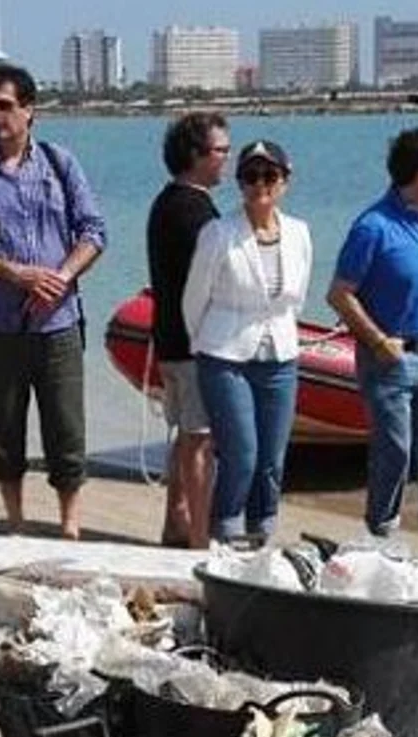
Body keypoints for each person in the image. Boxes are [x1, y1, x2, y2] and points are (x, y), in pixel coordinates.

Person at [0, 63, 106, 539]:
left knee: (66, 428)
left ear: (29, 110)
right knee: (5, 428)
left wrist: (60, 276)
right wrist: (13, 272)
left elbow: (94, 231)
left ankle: (69, 524)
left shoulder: (60, 163)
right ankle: (14, 523)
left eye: (5, 106)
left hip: (58, 323)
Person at [327, 127, 418, 564]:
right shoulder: (373, 226)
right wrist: (378, 340)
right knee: (395, 451)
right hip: (391, 359)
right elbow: (340, 293)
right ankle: (382, 538)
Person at [180, 141, 313, 546]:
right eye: (250, 176)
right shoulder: (219, 234)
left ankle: (263, 536)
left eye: (269, 176)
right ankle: (226, 533)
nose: (260, 185)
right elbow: (194, 300)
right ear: (239, 183)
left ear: (285, 181)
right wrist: (205, 344)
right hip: (225, 355)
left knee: (271, 461)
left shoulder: (299, 233)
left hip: (280, 355)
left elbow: (297, 297)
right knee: (242, 454)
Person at [145, 111, 230, 549]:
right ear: (196, 156)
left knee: (186, 436)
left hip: (171, 339)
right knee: (200, 440)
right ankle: (198, 536)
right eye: (221, 151)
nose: (227, 160)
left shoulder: (168, 201)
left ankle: (176, 521)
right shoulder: (193, 212)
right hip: (192, 343)